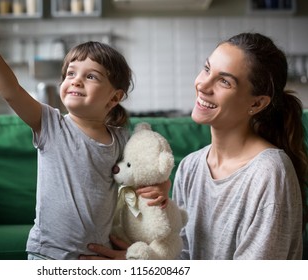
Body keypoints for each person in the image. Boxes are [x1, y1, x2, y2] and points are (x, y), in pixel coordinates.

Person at [0, 11, 168, 260]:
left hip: (97, 256)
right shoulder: (50, 125)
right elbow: (12, 91)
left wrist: (163, 186)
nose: (76, 81)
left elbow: (149, 172)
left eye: (90, 76)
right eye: (71, 73)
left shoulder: (121, 139)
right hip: (47, 253)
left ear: (114, 98)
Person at [82, 32, 307, 260]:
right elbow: (184, 256)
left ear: (257, 103)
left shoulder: (269, 171)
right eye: (207, 69)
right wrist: (146, 263)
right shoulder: (191, 166)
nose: (203, 84)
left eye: (224, 81)